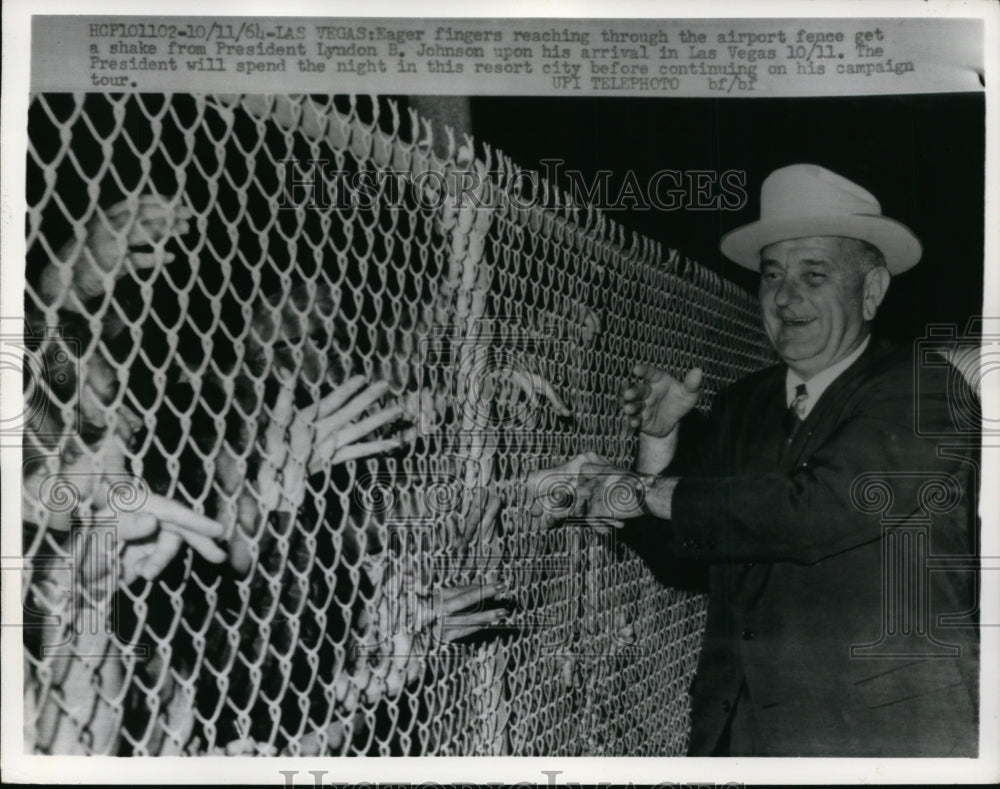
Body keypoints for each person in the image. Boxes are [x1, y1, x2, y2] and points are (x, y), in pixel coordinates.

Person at [542, 164, 979, 756]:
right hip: (746, 738)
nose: (785, 296)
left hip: (883, 739)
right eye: (771, 275)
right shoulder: (745, 404)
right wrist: (659, 443)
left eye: (814, 274)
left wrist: (640, 493)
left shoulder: (924, 391)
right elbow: (690, 558)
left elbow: (813, 512)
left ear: (871, 291)